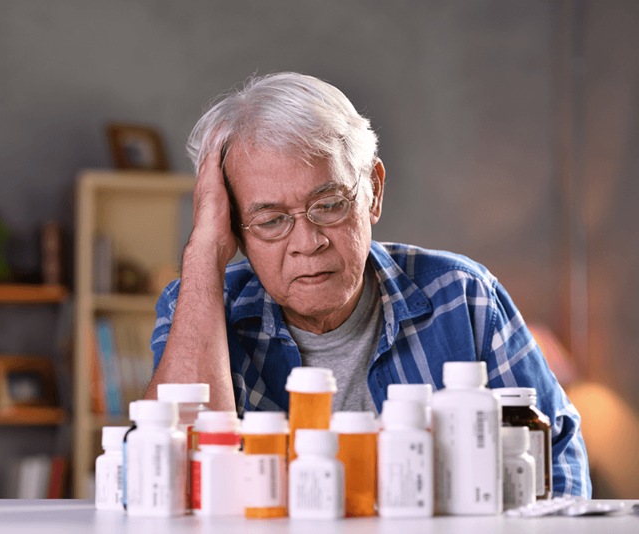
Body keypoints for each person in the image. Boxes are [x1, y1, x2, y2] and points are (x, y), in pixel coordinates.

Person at [144, 72, 590, 497]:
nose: (308, 242)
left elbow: (560, 468)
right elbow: (170, 482)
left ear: (373, 191)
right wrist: (203, 249)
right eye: (271, 221)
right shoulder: (202, 307)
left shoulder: (464, 297)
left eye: (330, 204)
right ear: (235, 230)